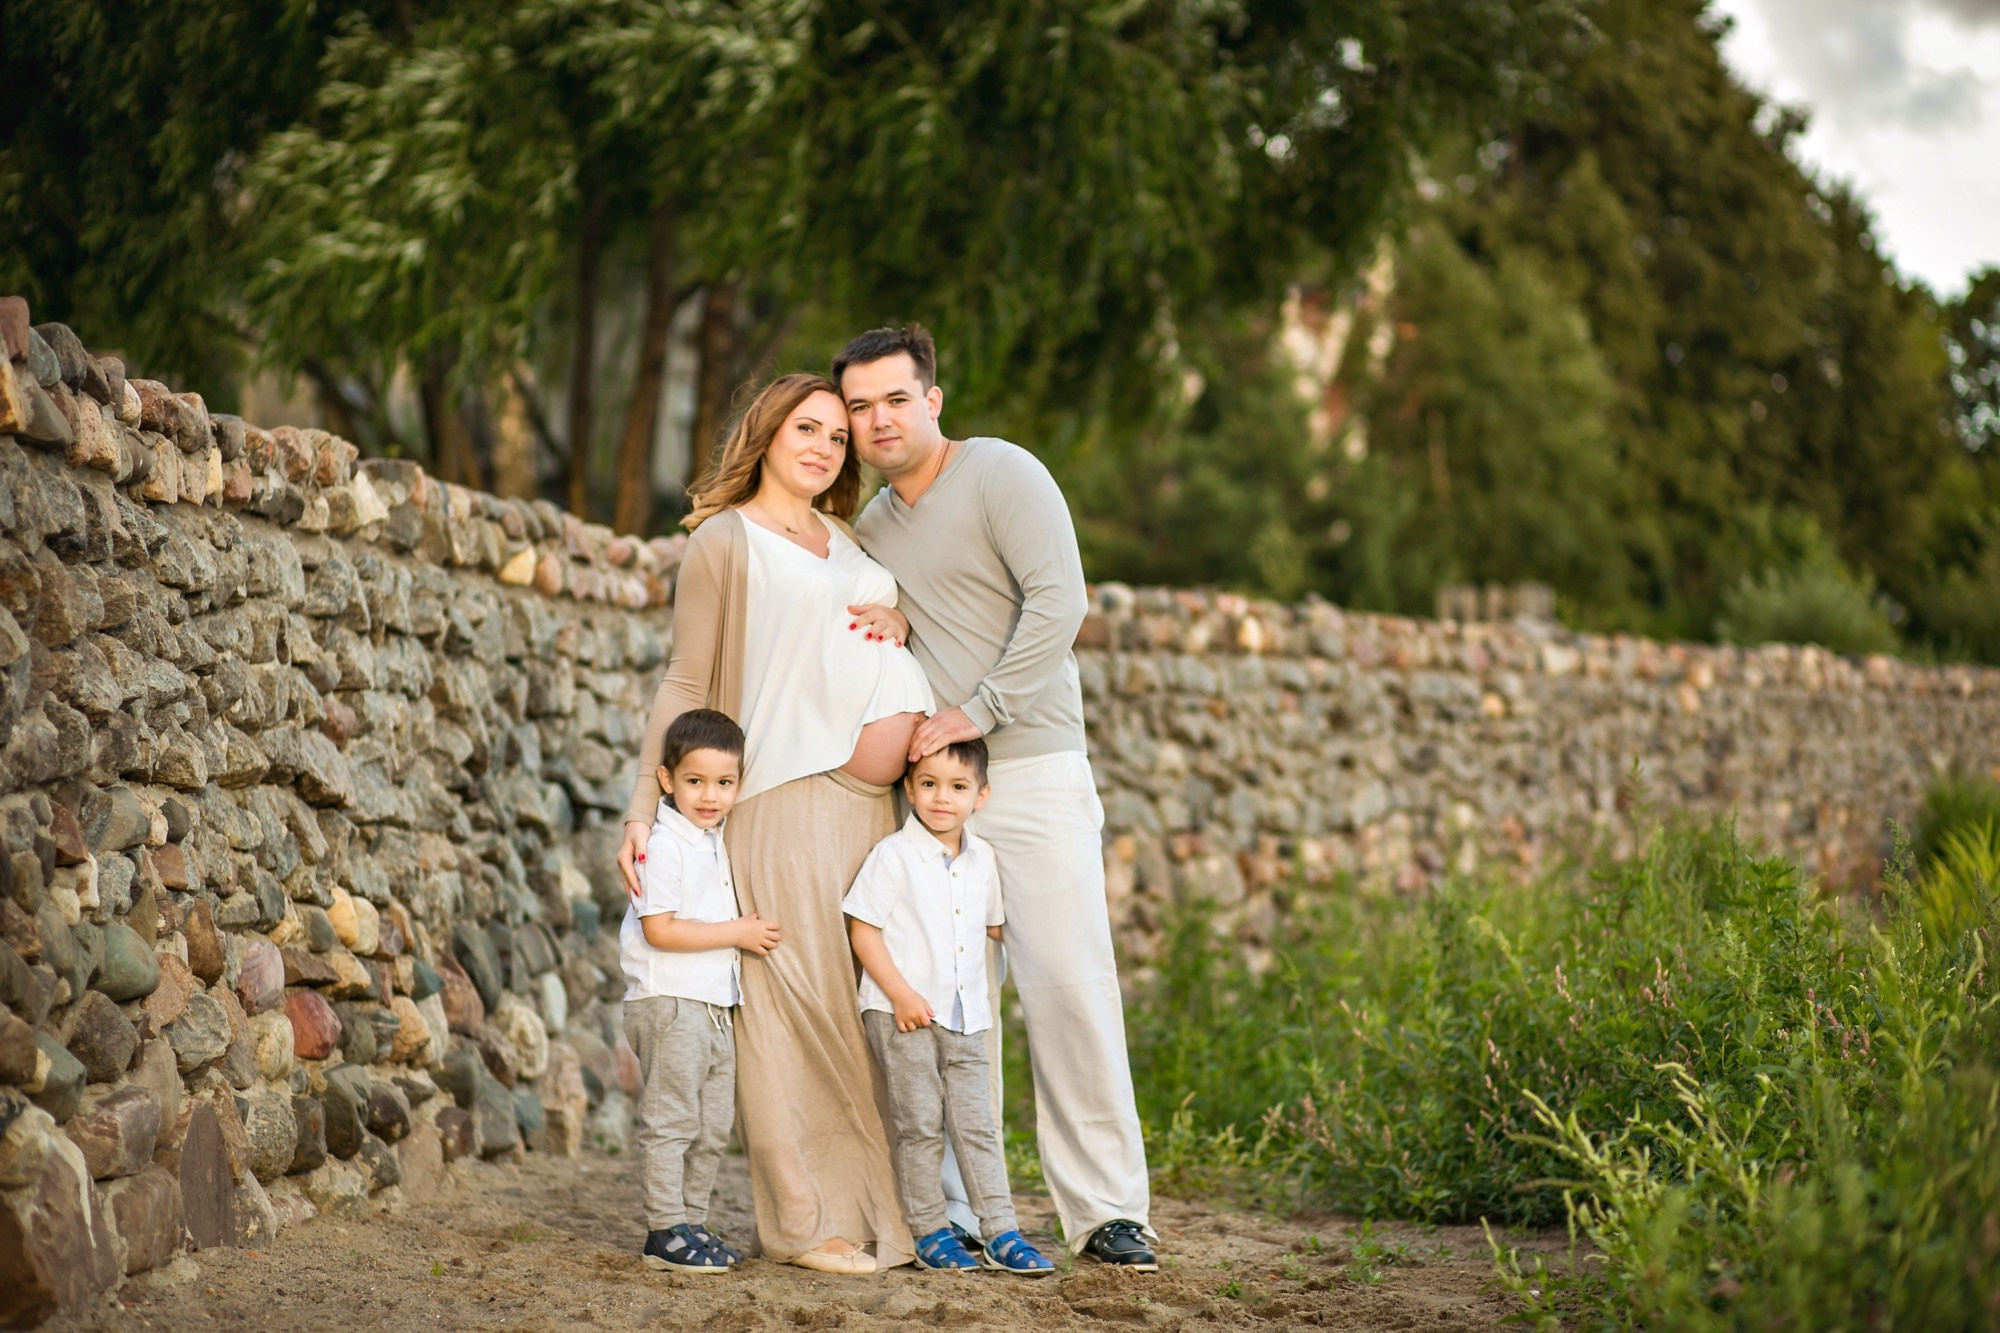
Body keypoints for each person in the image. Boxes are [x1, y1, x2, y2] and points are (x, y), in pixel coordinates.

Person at [835, 325, 1158, 1269]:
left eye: (895, 399)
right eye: (859, 407)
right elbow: (906, 624)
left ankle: (1107, 1212)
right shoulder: (873, 530)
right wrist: (900, 623)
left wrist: (977, 708)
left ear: (933, 399)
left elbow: (1061, 602)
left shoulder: (1005, 474)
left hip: (1037, 768)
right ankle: (961, 1212)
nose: (877, 419)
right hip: (937, 793)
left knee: (1069, 985)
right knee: (945, 996)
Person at [616, 372, 930, 1274]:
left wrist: (898, 616)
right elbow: (686, 680)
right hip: (784, 796)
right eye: (809, 427)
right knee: (796, 1009)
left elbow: (858, 630)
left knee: (861, 1002)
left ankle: (877, 1211)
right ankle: (802, 1224)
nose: (826, 446)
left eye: (838, 436)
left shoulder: (842, 535)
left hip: (871, 805)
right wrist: (646, 804)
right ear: (766, 431)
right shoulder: (725, 541)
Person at [842, 739, 1055, 1277]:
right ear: (910, 788)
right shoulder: (894, 854)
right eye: (930, 785)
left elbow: (991, 928)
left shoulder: (984, 859)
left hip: (967, 1016)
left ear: (980, 796)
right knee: (920, 1125)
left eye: (958, 787)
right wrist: (900, 994)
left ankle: (1000, 1231)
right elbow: (862, 930)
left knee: (977, 1125)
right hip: (902, 1014)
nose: (942, 798)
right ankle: (931, 1229)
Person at [622, 709, 774, 1275]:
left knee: (712, 1127)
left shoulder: (713, 839)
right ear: (667, 781)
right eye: (695, 781)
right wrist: (739, 932)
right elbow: (658, 929)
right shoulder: (664, 846)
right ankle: (663, 1230)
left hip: (711, 1006)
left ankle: (691, 1221)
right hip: (669, 1000)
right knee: (673, 1121)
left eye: (724, 783)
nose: (710, 796)